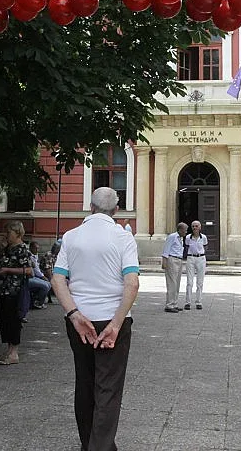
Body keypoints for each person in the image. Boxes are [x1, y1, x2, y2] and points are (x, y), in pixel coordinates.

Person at [51, 187, 140, 451]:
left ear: (90, 207)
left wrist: (74, 314)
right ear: (116, 210)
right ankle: (100, 446)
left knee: (85, 381)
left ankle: (88, 441)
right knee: (108, 387)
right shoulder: (123, 237)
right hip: (112, 318)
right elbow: (132, 283)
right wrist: (116, 324)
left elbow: (58, 278)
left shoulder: (71, 236)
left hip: (79, 319)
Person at [0, 221, 32, 365]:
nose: (6, 236)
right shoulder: (7, 248)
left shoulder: (22, 249)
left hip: (14, 290)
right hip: (4, 290)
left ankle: (14, 353)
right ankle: (9, 349)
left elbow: (29, 271)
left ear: (18, 233)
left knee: (13, 321)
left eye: (9, 233)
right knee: (5, 320)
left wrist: (8, 270)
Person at [161, 222, 187, 313]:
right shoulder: (172, 237)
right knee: (172, 283)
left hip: (179, 260)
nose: (186, 232)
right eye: (185, 230)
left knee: (177, 283)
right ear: (180, 229)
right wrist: (164, 262)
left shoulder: (180, 238)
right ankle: (169, 305)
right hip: (172, 259)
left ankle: (174, 303)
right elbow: (166, 249)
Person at [183, 220, 208, 310]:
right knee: (189, 282)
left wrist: (202, 255)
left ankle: (199, 302)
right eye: (193, 226)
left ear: (200, 227)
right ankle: (188, 302)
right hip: (191, 258)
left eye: (196, 226)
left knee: (200, 282)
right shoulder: (188, 237)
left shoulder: (203, 237)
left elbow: (205, 247)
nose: (195, 228)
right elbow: (186, 247)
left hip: (201, 258)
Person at [27, 241, 51, 310]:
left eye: (38, 248)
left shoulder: (35, 255)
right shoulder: (29, 255)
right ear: (31, 248)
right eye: (35, 248)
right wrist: (43, 277)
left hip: (34, 276)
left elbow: (36, 267)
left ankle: (39, 301)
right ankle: (37, 303)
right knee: (45, 286)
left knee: (48, 284)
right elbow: (36, 270)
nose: (37, 250)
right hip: (29, 277)